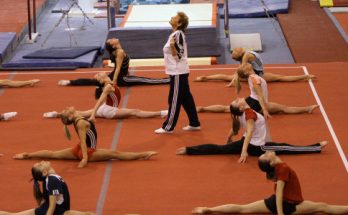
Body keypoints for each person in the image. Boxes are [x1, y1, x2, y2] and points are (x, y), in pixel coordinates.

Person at [192, 151, 348, 214]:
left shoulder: (278, 167)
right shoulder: (283, 168)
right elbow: (279, 193)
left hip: (272, 202)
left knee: (242, 209)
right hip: (288, 205)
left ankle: (209, 210)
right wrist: (280, 214)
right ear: (271, 163)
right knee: (323, 207)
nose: (267, 152)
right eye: (266, 155)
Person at [176, 98, 327, 163]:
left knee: (219, 148)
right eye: (237, 101)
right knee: (286, 147)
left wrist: (230, 139)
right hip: (258, 147)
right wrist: (243, 151)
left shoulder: (239, 114)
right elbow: (248, 132)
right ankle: (316, 147)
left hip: (246, 143)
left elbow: (234, 129)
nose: (238, 98)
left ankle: (188, 150)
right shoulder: (249, 115)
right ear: (241, 107)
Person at [14, 107, 158, 168]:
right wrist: (84, 159)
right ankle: (143, 154)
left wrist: (59, 115)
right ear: (70, 116)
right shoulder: (81, 122)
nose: (68, 108)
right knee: (116, 154)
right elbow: (83, 142)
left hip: (78, 149)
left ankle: (27, 155)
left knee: (53, 154)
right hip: (88, 151)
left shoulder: (77, 117)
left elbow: (68, 118)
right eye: (67, 110)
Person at [44, 72, 167, 120]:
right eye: (99, 74)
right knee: (134, 112)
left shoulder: (110, 83)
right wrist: (93, 115)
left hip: (105, 108)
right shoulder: (108, 86)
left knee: (80, 113)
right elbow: (100, 101)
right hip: (109, 110)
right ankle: (161, 113)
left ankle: (57, 114)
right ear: (102, 79)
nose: (100, 72)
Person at [155, 12, 200, 134]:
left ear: (179, 23)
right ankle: (194, 123)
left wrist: (173, 47)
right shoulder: (175, 34)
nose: (172, 17)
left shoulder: (178, 34)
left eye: (175, 17)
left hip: (178, 72)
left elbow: (179, 55)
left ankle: (168, 127)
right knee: (186, 98)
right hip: (178, 71)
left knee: (174, 99)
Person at [58, 38, 170, 87]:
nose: (112, 38)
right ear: (113, 45)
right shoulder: (119, 52)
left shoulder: (117, 52)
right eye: (111, 40)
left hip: (122, 75)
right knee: (146, 81)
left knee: (94, 81)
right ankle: (168, 81)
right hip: (121, 78)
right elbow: (118, 68)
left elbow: (120, 66)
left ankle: (70, 82)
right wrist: (115, 81)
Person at [0, 161, 94, 215]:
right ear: (44, 172)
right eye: (40, 165)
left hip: (51, 209)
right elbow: (52, 206)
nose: (42, 162)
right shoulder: (52, 180)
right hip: (57, 212)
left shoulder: (49, 179)